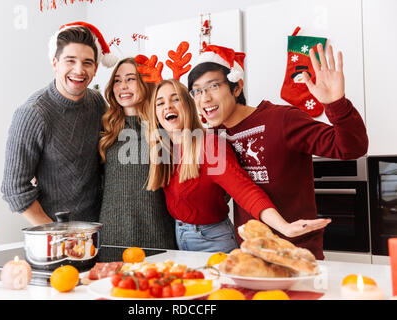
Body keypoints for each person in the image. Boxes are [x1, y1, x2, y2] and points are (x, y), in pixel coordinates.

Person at [187, 44, 368, 259]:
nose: (204, 98)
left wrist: (336, 103)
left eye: (213, 86)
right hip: (250, 255)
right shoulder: (214, 136)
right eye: (197, 91)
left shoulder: (282, 120)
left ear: (236, 87)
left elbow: (351, 148)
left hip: (297, 253)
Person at [146, 79, 330, 253]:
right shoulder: (162, 150)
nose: (168, 106)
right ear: (155, 113)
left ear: (188, 105)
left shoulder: (210, 145)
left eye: (175, 99)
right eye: (160, 103)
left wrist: (284, 227)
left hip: (213, 240)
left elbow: (245, 191)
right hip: (177, 236)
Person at [1, 22, 117, 225]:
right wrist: (57, 234)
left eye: (87, 62)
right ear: (55, 63)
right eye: (70, 61)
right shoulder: (32, 114)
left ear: (96, 68)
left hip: (96, 232)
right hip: (53, 240)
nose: (79, 70)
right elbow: (14, 188)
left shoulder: (97, 102)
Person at [98, 58, 177, 249]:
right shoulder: (105, 130)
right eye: (117, 80)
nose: (123, 86)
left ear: (145, 82)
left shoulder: (164, 128)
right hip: (112, 238)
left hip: (157, 235)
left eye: (130, 79)